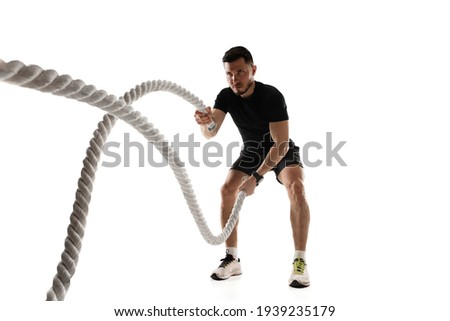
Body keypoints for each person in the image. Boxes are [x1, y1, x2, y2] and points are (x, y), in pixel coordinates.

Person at [194, 46, 310, 288]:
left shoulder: (271, 96)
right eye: (229, 74)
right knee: (227, 190)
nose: (235, 79)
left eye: (240, 72)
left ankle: (300, 263)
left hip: (280, 149)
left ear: (252, 70)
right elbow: (211, 133)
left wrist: (256, 178)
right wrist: (205, 123)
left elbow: (281, 144)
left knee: (296, 187)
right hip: (251, 151)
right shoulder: (226, 95)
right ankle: (232, 259)